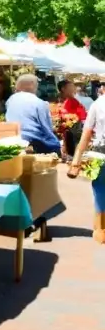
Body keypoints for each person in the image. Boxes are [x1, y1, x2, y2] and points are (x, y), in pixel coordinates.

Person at [67, 89, 105, 242]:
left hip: (101, 153)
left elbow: (87, 133)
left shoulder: (98, 103)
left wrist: (76, 159)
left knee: (101, 190)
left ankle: (101, 230)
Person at [5, 74, 61, 155]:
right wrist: (56, 144)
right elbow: (47, 128)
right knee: (55, 146)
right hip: (33, 141)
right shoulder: (40, 103)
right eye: (36, 84)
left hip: (13, 138)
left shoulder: (10, 100)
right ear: (32, 85)